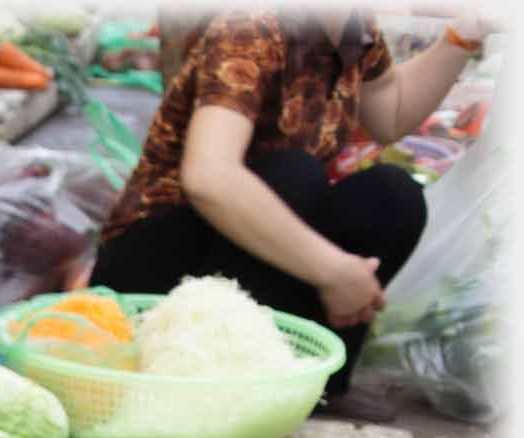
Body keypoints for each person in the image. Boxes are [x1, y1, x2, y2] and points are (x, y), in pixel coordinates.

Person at [91, 9, 491, 393]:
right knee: (293, 175)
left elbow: (390, 110)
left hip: (247, 256)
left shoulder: (352, 26)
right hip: (156, 271)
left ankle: (316, 385)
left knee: (391, 195)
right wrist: (333, 270)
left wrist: (464, 34)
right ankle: (232, 382)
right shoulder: (249, 27)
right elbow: (209, 176)